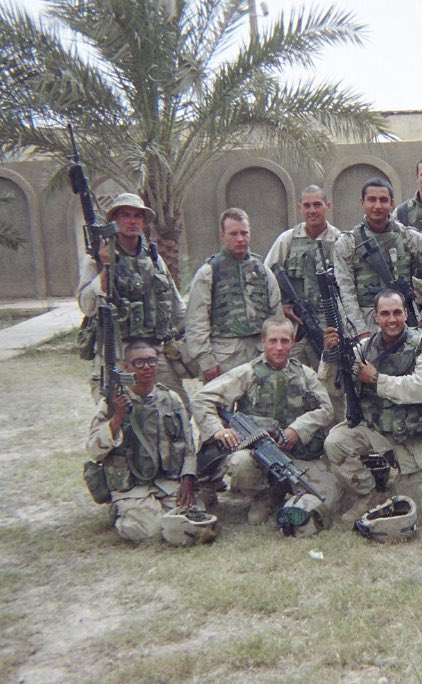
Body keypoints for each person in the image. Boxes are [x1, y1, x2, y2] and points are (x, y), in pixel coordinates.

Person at [191, 317, 339, 524]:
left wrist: (297, 429)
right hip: (256, 455)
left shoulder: (305, 374)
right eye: (273, 341)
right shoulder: (248, 372)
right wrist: (218, 430)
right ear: (262, 342)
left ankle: (279, 492)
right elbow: (202, 399)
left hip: (296, 454)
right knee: (239, 462)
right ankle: (261, 496)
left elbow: (326, 409)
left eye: (285, 341)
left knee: (327, 500)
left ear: (293, 342)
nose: (279, 347)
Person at [322, 289, 422, 521]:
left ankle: (407, 476)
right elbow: (334, 388)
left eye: (397, 312)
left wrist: (377, 379)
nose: (392, 320)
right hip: (378, 429)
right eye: (385, 313)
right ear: (375, 317)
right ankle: (368, 493)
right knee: (336, 442)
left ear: (406, 313)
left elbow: (421, 388)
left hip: (414, 434)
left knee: (415, 508)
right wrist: (330, 356)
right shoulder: (364, 348)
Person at [77, 192, 188, 406]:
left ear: (144, 222)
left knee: (177, 407)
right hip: (117, 352)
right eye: (125, 215)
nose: (132, 221)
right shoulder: (97, 260)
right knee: (117, 416)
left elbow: (177, 308)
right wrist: (105, 269)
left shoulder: (154, 260)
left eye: (137, 216)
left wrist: (183, 341)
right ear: (115, 222)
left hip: (153, 351)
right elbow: (86, 305)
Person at [86, 341, 197, 542]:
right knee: (152, 533)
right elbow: (94, 450)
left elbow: (188, 445)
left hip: (166, 482)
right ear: (126, 367)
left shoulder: (171, 399)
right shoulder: (110, 404)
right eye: (139, 362)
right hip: (131, 486)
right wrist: (118, 417)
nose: (147, 367)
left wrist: (188, 478)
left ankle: (150, 510)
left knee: (192, 525)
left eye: (151, 361)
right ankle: (122, 511)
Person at [333, 177, 422, 338]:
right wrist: (361, 332)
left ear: (392, 203)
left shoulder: (410, 238)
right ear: (362, 202)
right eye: (371, 200)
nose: (377, 206)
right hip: (366, 322)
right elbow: (345, 292)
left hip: (406, 321)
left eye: (383, 200)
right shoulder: (348, 243)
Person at [186, 208, 283, 383]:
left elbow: (276, 316)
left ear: (250, 233)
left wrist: (276, 350)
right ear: (222, 235)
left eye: (244, 233)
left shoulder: (263, 271)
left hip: (259, 354)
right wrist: (206, 360)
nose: (240, 239)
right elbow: (196, 320)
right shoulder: (208, 273)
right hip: (223, 357)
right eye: (233, 234)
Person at [264, 185, 342, 370]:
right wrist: (281, 308)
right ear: (300, 207)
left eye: (317, 204)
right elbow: (265, 278)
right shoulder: (288, 239)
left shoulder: (339, 241)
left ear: (327, 206)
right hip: (294, 327)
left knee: (328, 379)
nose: (312, 210)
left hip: (327, 325)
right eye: (307, 205)